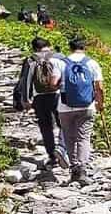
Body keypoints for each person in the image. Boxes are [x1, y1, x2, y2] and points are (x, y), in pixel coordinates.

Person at [58, 37, 104, 186]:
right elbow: (99, 87)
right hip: (87, 107)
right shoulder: (92, 63)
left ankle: (74, 168)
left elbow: (53, 83)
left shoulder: (61, 63)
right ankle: (82, 169)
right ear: (84, 48)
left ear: (70, 48)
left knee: (69, 137)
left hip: (64, 107)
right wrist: (100, 103)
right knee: (83, 137)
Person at [26, 38, 69, 169]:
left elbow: (26, 80)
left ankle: (52, 155)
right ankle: (62, 148)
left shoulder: (31, 59)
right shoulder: (60, 57)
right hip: (58, 95)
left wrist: (26, 99)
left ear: (34, 48)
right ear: (49, 46)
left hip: (39, 97)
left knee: (46, 126)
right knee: (64, 124)